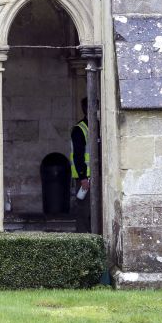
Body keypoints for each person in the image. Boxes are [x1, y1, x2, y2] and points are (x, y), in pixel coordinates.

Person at [70, 98, 91, 233]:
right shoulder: (80, 129)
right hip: (85, 178)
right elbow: (78, 156)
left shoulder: (96, 126)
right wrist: (83, 177)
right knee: (84, 210)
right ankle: (83, 237)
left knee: (92, 210)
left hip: (96, 176)